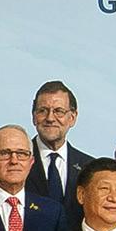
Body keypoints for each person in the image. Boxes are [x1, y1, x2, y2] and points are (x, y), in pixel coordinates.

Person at [26, 81, 93, 216]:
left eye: (59, 111)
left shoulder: (90, 167)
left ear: (72, 118)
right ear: (34, 117)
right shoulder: (17, 161)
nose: (50, 118)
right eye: (42, 111)